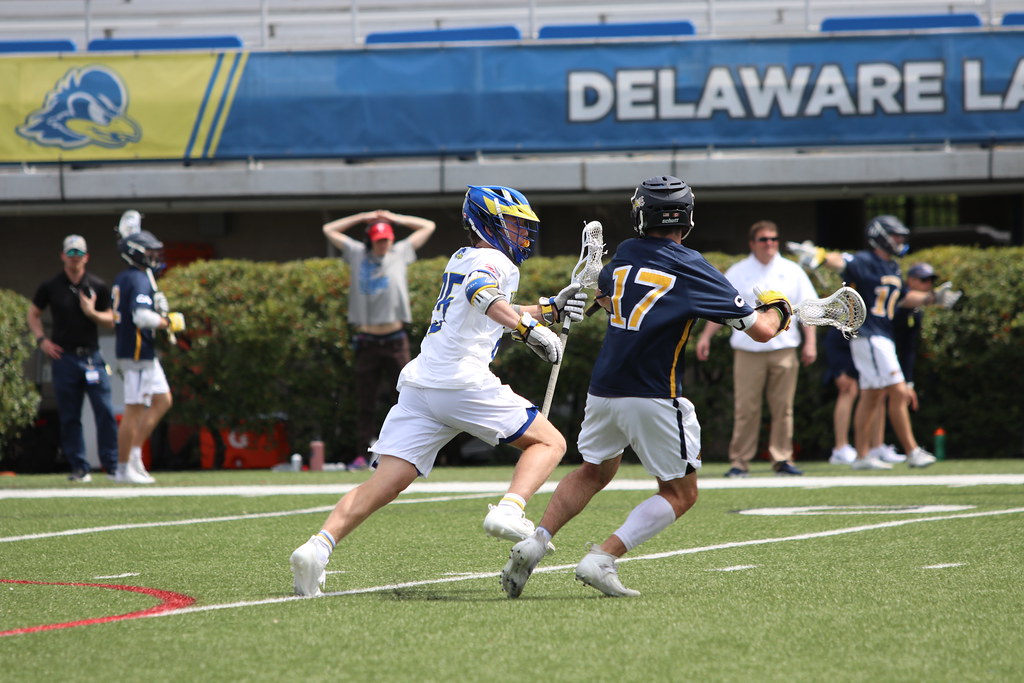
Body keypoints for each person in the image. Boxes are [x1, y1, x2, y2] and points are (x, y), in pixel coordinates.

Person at [499, 176, 793, 599]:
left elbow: (605, 297)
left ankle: (537, 540)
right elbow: (764, 330)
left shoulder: (624, 256)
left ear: (641, 214)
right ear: (687, 218)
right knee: (680, 493)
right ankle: (603, 557)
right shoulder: (690, 265)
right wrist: (780, 307)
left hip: (604, 391)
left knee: (594, 471)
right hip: (653, 392)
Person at [290, 185, 587, 597]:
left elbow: (487, 304)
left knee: (384, 483)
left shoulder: (463, 256)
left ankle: (316, 549)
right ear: (490, 223)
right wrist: (527, 329)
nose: (523, 234)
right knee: (550, 443)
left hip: (422, 384)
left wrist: (547, 310)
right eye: (516, 225)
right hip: (461, 382)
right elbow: (482, 294)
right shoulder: (494, 260)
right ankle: (509, 509)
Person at [790, 216, 960, 470]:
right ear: (881, 236)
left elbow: (901, 297)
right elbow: (841, 261)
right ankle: (912, 451)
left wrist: (932, 298)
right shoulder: (864, 261)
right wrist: (820, 255)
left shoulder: (891, 267)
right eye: (895, 236)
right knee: (899, 391)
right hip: (871, 336)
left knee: (872, 395)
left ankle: (862, 456)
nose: (900, 241)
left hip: (881, 336)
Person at [694, 220, 818, 477]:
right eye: (764, 239)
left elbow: (807, 309)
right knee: (746, 408)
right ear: (752, 243)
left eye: (773, 239)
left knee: (783, 408)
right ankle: (740, 462)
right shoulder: (739, 271)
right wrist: (705, 337)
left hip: (784, 349)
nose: (770, 243)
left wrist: (811, 343)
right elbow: (723, 307)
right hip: (747, 351)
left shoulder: (792, 270)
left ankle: (782, 459)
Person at [322, 209, 436, 470]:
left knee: (410, 397)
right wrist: (362, 217)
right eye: (378, 240)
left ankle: (410, 453)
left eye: (386, 239)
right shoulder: (357, 254)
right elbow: (329, 230)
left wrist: (394, 218)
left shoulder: (400, 253)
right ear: (370, 241)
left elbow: (427, 225)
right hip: (367, 341)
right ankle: (362, 455)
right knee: (365, 402)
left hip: (396, 339)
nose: (383, 245)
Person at [27, 235, 119, 482]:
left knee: (105, 411)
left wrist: (92, 313)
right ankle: (79, 467)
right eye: (71, 253)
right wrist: (42, 340)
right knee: (69, 415)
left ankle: (111, 465)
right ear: (62, 256)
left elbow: (112, 319)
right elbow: (34, 314)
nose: (75, 258)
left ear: (86, 257)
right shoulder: (51, 286)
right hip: (64, 358)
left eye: (79, 254)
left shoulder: (97, 285)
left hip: (92, 357)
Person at [111, 223, 186, 484]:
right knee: (133, 409)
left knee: (163, 399)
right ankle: (122, 468)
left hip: (143, 352)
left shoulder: (129, 277)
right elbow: (141, 317)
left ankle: (133, 455)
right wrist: (167, 322)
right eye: (151, 254)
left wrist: (157, 305)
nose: (155, 258)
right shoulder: (138, 278)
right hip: (136, 352)